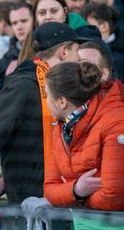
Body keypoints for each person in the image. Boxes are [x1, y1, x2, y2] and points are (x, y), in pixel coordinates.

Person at [0, 22, 87, 214]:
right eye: (76, 50)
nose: (79, 57)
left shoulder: (64, 88)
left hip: (62, 198)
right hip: (29, 205)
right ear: (64, 52)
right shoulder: (23, 87)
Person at [44, 61, 124, 211]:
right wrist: (76, 190)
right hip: (83, 221)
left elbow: (114, 195)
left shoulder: (116, 121)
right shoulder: (62, 127)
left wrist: (77, 199)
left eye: (46, 95)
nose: (45, 101)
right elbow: (49, 190)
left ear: (62, 102)